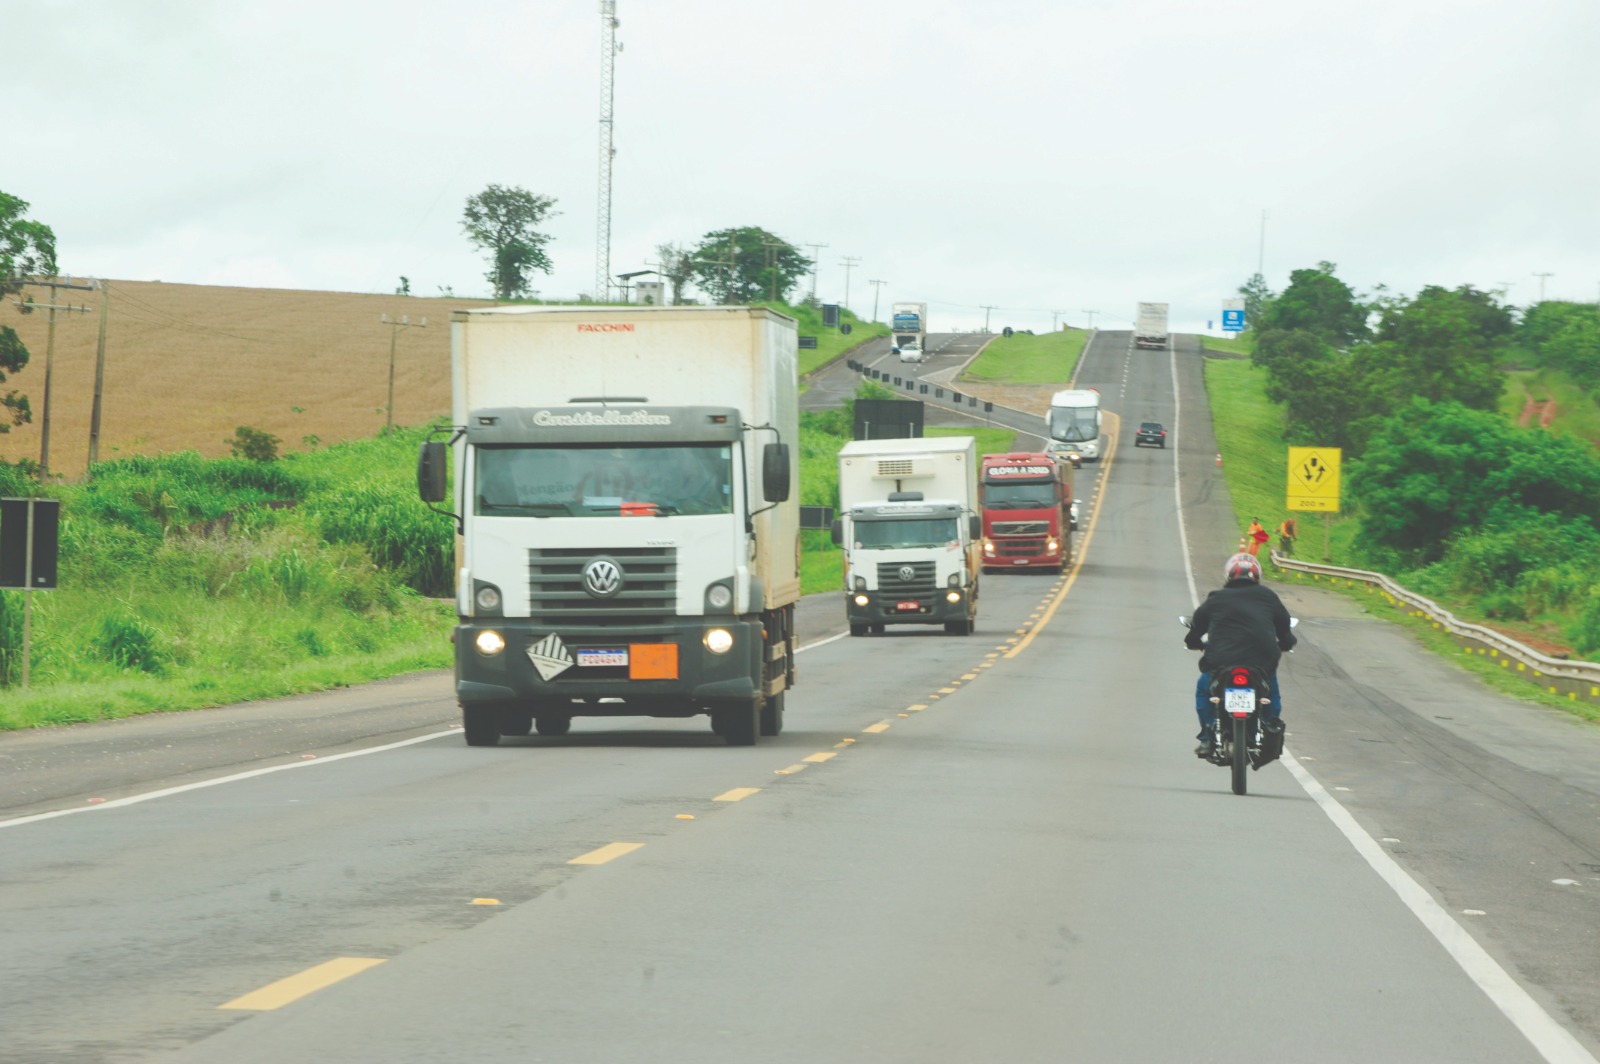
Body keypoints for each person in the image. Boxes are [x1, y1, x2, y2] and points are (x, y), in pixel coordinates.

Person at [1184, 553, 1296, 761]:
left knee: (1204, 689)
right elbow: (1285, 627)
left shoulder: (1216, 598)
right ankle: (1270, 727)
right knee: (1270, 693)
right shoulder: (1268, 597)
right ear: (1257, 576)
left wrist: (1193, 642)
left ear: (1228, 576)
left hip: (1221, 663)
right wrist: (1286, 643)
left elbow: (1196, 628)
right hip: (1261, 663)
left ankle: (1208, 736)